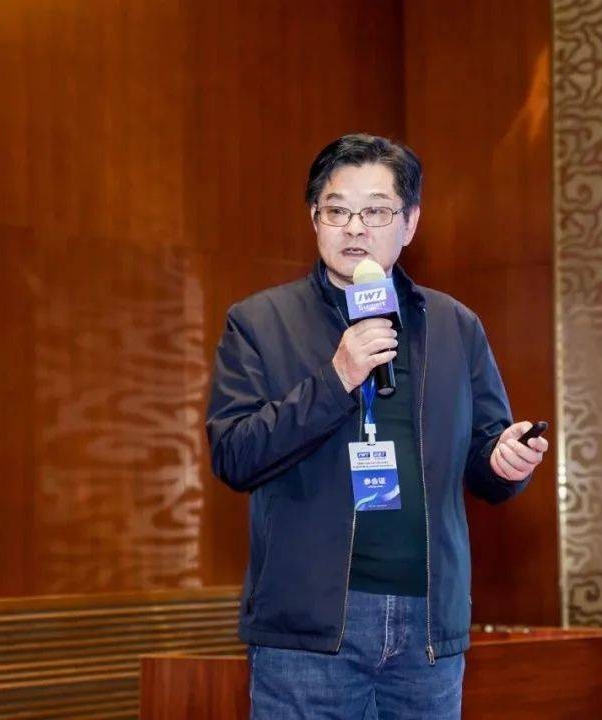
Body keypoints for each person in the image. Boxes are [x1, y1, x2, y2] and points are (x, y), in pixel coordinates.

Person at [205, 133, 548, 719]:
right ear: (314, 219)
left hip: (428, 627)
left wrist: (504, 462)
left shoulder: (454, 325)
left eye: (377, 212)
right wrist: (336, 379)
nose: (355, 229)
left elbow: (485, 457)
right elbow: (235, 455)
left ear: (409, 223)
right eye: (337, 211)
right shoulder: (259, 322)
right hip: (309, 630)